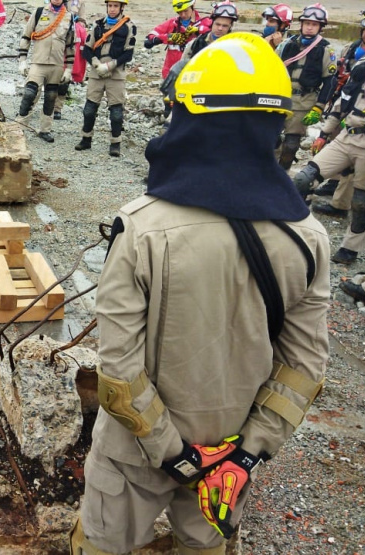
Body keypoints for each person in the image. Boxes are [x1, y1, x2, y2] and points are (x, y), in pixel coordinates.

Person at [69, 33, 329, 555]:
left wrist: (175, 454)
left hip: (135, 453)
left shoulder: (142, 228)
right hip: (231, 454)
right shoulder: (310, 238)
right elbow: (304, 369)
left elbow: (118, 371)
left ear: (192, 119)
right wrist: (244, 455)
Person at [293, 57, 365, 266]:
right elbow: (340, 106)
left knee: (361, 203)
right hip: (345, 137)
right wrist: (324, 134)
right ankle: (297, 228)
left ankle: (349, 249)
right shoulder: (360, 69)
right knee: (304, 179)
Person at [274, 3, 336, 170]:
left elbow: (330, 81)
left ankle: (283, 172)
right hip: (280, 98)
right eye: (307, 23)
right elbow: (272, 68)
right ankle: (268, 169)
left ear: (320, 27)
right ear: (301, 24)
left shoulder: (325, 50)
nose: (309, 27)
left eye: (314, 24)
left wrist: (319, 107)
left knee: (291, 143)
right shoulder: (287, 44)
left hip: (304, 101)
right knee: (271, 137)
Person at [74, 0, 136, 157]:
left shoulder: (129, 27)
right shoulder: (97, 25)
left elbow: (128, 54)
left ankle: (115, 143)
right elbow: (87, 50)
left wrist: (110, 66)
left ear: (122, 7)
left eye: (116, 6)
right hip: (96, 74)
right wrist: (96, 64)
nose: (112, 9)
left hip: (116, 75)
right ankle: (86, 139)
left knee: (116, 112)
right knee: (89, 109)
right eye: (110, 6)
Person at [158, 1, 237, 123]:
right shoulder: (196, 43)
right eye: (217, 24)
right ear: (212, 22)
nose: (220, 28)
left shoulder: (236, 47)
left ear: (231, 26)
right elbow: (182, 69)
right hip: (194, 96)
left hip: (221, 99)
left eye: (225, 26)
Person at [17, 0, 77, 143]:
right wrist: (22, 60)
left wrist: (68, 69)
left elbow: (70, 45)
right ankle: (19, 128)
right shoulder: (38, 12)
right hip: (38, 62)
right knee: (29, 94)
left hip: (56, 65)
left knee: (51, 97)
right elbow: (26, 36)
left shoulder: (69, 17)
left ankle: (45, 130)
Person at [144, 0, 209, 119]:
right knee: (170, 104)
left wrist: (198, 30)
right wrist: (168, 37)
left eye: (185, 11)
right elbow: (148, 41)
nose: (183, 15)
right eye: (180, 12)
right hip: (171, 72)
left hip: (193, 74)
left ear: (193, 6)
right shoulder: (171, 24)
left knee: (191, 106)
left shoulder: (204, 22)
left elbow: (217, 32)